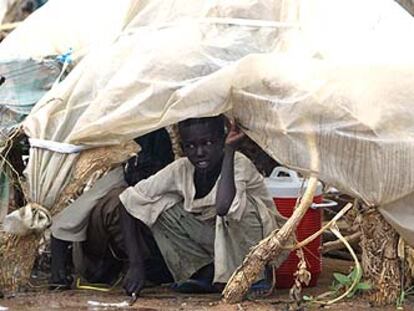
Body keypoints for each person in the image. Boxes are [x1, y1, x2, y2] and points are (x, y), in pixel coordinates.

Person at [120, 115, 290, 297]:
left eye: (208, 143)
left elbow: (224, 206)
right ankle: (205, 272)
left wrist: (230, 150)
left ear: (221, 140)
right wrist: (136, 265)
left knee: (240, 206)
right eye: (190, 146)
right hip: (217, 239)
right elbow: (127, 201)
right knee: (160, 207)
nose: (199, 152)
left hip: (257, 243)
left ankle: (256, 275)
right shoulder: (181, 169)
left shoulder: (238, 163)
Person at [49, 128, 174, 289]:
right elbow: (63, 224)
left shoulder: (169, 179)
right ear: (128, 162)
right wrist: (57, 272)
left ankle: (151, 270)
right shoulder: (115, 180)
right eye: (141, 167)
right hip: (98, 265)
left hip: (150, 258)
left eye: (153, 168)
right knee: (122, 200)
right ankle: (137, 269)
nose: (145, 175)